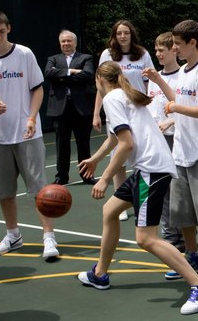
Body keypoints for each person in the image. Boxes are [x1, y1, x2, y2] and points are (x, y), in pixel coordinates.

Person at [76, 61, 198, 315]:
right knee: (110, 211)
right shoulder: (122, 95)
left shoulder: (112, 99)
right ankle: (100, 274)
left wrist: (105, 177)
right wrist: (95, 159)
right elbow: (113, 138)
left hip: (151, 169)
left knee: (145, 238)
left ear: (99, 79)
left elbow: (126, 144)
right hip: (149, 167)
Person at [146, 20, 198, 282]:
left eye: (179, 45)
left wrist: (176, 109)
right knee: (182, 212)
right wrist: (160, 81)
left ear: (193, 43)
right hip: (182, 150)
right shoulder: (182, 71)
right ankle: (193, 255)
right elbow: (177, 100)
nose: (175, 49)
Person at [0, 9, 59, 259]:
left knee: (39, 190)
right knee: (5, 191)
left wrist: (31, 118)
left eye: (1, 31)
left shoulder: (24, 53)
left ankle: (49, 238)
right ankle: (13, 235)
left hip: (28, 133)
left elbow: (37, 90)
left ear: (8, 28)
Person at [93, 20, 154, 221]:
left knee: (140, 158)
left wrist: (152, 108)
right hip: (116, 110)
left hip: (137, 110)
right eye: (119, 33)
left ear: (131, 34)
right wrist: (96, 113)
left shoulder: (143, 54)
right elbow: (100, 86)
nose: (122, 36)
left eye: (126, 32)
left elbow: (151, 82)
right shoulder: (107, 55)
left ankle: (140, 199)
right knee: (118, 159)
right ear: (114, 35)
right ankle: (120, 202)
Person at [143, 32, 184, 252]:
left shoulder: (183, 76)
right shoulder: (153, 77)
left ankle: (184, 233)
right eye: (156, 50)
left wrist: (170, 122)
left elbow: (186, 107)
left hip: (178, 139)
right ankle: (170, 234)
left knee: (179, 189)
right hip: (159, 140)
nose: (158, 54)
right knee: (164, 189)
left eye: (162, 50)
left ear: (174, 51)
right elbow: (152, 108)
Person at [45, 30, 96, 186]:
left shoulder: (85, 58)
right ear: (60, 43)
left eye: (69, 41)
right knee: (62, 145)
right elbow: (48, 74)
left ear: (75, 42)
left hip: (80, 108)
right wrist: (71, 72)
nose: (66, 44)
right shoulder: (52, 59)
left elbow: (87, 75)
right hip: (60, 108)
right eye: (63, 41)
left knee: (83, 144)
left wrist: (61, 77)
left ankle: (86, 176)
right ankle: (61, 176)